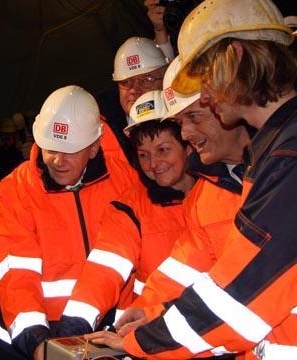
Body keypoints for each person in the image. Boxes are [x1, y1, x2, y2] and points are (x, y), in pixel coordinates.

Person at [87, 0, 297, 358]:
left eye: (205, 79)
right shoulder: (271, 157)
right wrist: (152, 315)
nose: (207, 94)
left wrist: (142, 341)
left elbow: (237, 303)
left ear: (235, 57)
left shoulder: (287, 159)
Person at [0, 85, 138, 359]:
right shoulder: (13, 192)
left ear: (93, 148)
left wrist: (77, 331)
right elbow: (15, 276)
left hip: (100, 336)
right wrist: (38, 343)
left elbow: (117, 260)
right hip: (25, 343)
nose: (57, 160)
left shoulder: (123, 183)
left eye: (69, 150)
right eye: (50, 148)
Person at [57, 89, 194, 336]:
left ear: (188, 145)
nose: (153, 164)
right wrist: (73, 327)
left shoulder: (222, 194)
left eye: (163, 149)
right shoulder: (129, 208)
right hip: (155, 337)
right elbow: (103, 270)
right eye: (143, 155)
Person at [96, 36, 169, 169]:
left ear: (165, 80)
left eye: (146, 79)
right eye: (126, 82)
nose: (134, 90)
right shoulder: (99, 131)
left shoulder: (187, 120)